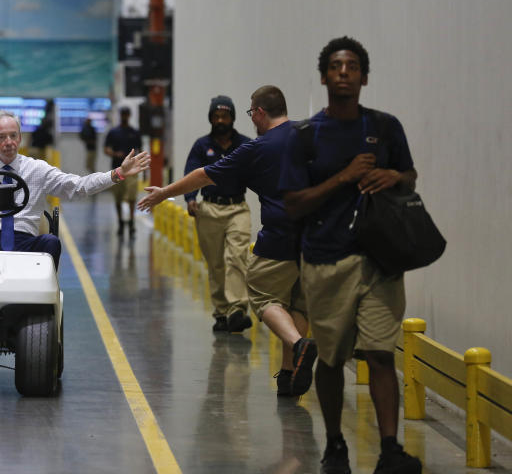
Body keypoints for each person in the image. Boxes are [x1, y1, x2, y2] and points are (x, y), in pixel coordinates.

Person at [279, 37, 421, 474]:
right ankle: (335, 445)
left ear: (364, 76)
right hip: (326, 262)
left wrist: (394, 176)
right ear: (324, 76)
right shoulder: (305, 136)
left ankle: (390, 450)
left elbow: (410, 179)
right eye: (337, 66)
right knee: (332, 358)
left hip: (380, 261)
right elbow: (293, 202)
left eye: (353, 66)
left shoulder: (386, 127)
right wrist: (344, 177)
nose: (345, 72)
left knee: (380, 354)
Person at [138, 86, 316, 396]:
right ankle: (289, 375)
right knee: (298, 303)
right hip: (317, 238)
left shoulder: (257, 147)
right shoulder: (310, 134)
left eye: (251, 113)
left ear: (259, 112)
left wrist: (164, 193)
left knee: (263, 296)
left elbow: (203, 175)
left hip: (280, 237)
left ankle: (299, 345)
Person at [0, 110, 150, 269]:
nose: (8, 142)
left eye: (13, 136)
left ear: (20, 138)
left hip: (24, 240)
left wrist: (117, 174)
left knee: (51, 242)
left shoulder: (37, 169)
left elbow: (77, 187)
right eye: (2, 137)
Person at [182, 95, 252, 333]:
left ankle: (237, 309)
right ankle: (221, 312)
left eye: (225, 115)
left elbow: (260, 171)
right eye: (216, 116)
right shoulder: (202, 145)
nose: (221, 120)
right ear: (211, 118)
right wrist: (191, 199)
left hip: (237, 208)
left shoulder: (245, 144)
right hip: (209, 208)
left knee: (237, 257)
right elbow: (190, 173)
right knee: (216, 264)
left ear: (232, 118)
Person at [103, 107, 143, 237]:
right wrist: (115, 154)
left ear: (129, 115)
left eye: (127, 114)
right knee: (118, 198)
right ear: (121, 115)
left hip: (132, 171)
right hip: (117, 169)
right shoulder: (114, 132)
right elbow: (106, 149)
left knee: (131, 197)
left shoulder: (134, 132)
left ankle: (131, 223)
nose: (125, 116)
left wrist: (144, 169)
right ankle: (120, 222)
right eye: (123, 114)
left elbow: (140, 150)